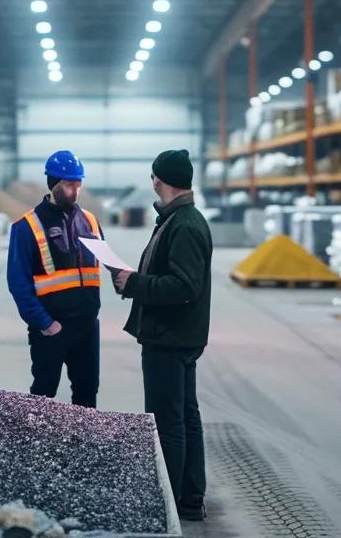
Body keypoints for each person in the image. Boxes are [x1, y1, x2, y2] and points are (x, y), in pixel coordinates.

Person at [112, 149, 212, 522]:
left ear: (158, 179)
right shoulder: (179, 220)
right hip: (179, 336)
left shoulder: (184, 225)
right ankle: (188, 500)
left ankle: (166, 506)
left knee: (167, 424)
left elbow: (184, 286)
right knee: (185, 418)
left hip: (169, 338)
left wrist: (133, 283)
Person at [6, 149, 105, 407]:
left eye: (78, 185)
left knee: (87, 394)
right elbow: (18, 284)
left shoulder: (91, 222)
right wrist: (45, 323)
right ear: (54, 184)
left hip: (87, 327)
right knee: (43, 397)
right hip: (51, 330)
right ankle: (39, 447)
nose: (75, 191)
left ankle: (83, 446)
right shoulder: (27, 227)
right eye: (70, 185)